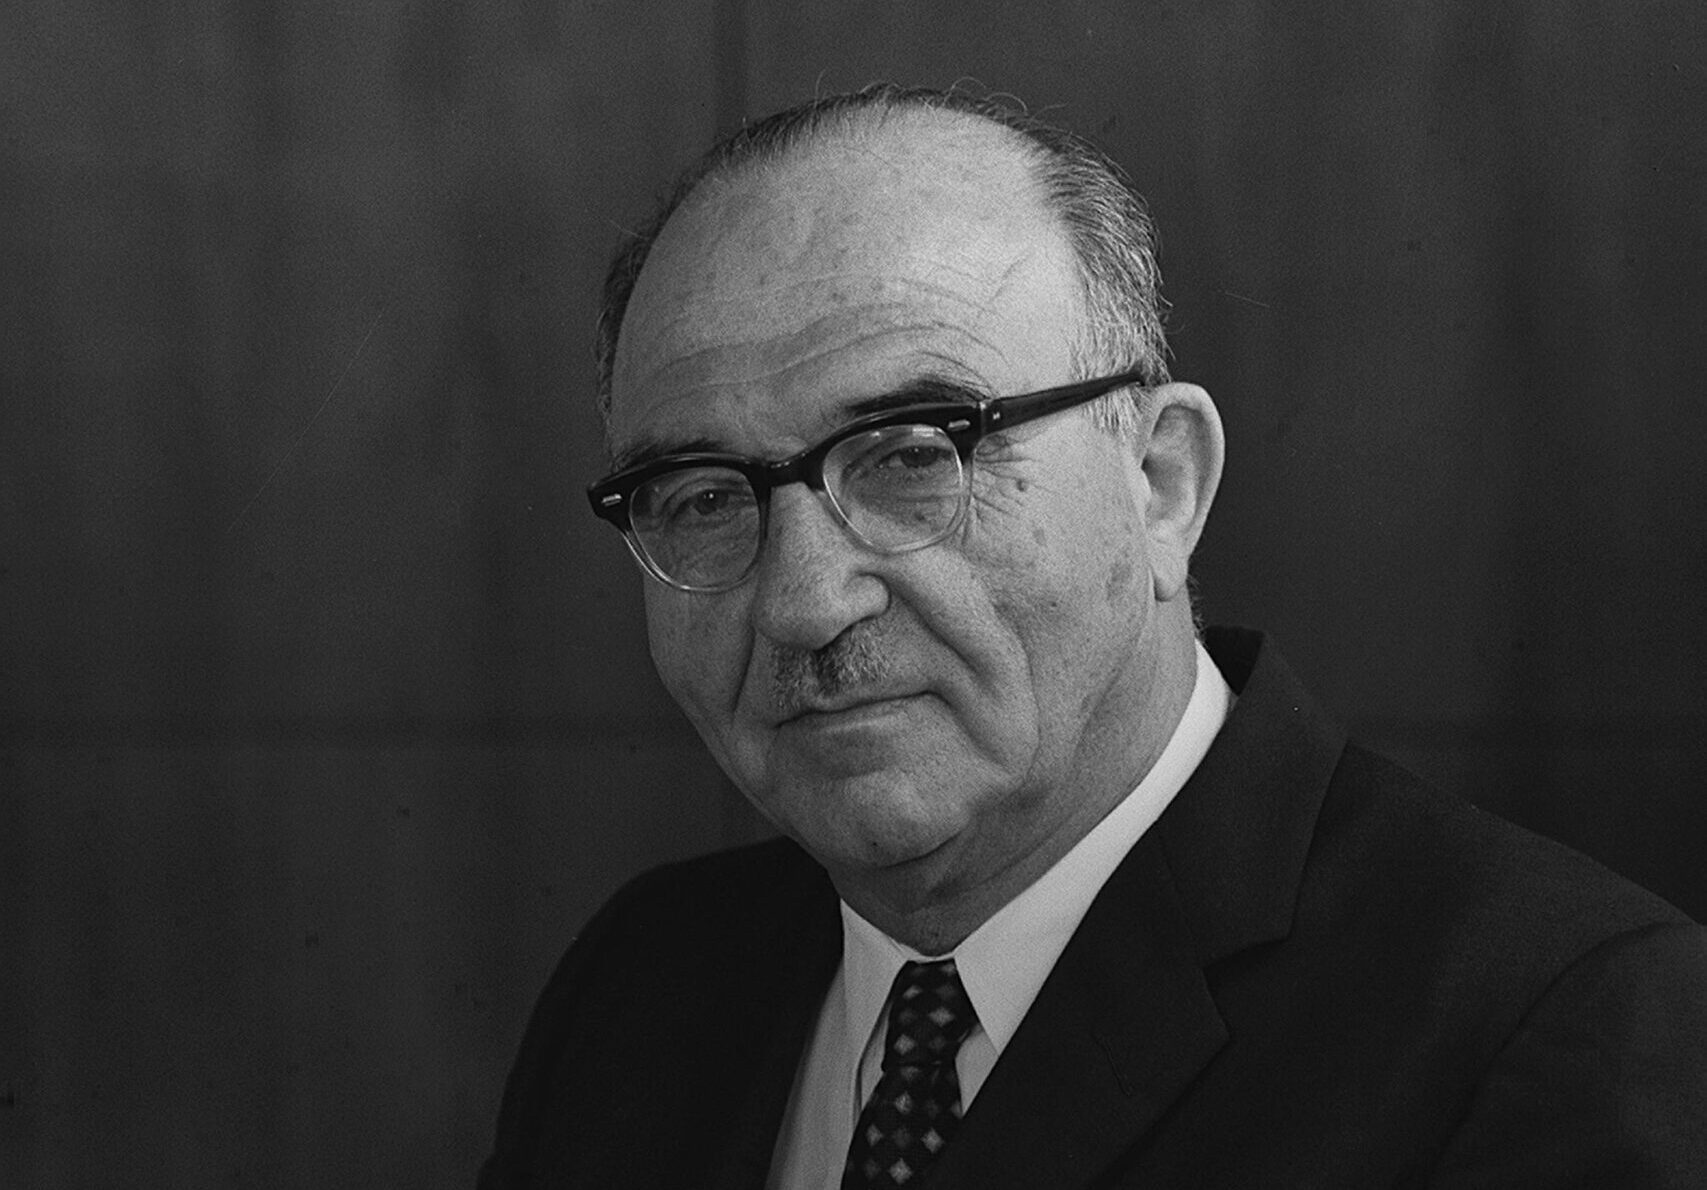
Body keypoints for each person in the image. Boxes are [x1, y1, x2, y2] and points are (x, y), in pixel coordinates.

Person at [478, 84, 1707, 1189]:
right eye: (701, 496)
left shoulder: (1557, 1026)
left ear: (1162, 483)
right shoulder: (640, 989)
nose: (805, 601)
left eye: (911, 456)